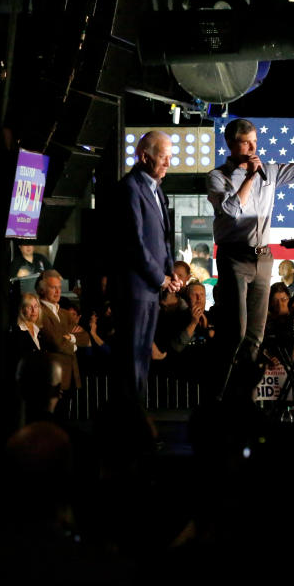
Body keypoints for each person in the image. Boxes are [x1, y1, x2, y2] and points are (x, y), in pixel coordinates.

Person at [207, 110, 294, 398]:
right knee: (236, 333)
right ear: (231, 144)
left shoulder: (271, 171)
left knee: (255, 336)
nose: (252, 148)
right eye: (245, 143)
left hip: (263, 258)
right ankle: (218, 398)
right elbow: (230, 211)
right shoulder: (218, 177)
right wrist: (251, 178)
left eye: (254, 142)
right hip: (234, 257)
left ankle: (245, 398)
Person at [109, 131, 183, 404]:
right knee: (131, 362)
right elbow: (133, 243)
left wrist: (170, 271)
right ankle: (127, 429)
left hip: (150, 291)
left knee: (142, 359)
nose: (168, 164)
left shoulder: (156, 190)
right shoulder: (129, 188)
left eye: (170, 158)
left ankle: (136, 424)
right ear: (144, 157)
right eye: (164, 158)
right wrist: (160, 278)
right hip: (134, 290)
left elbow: (161, 237)